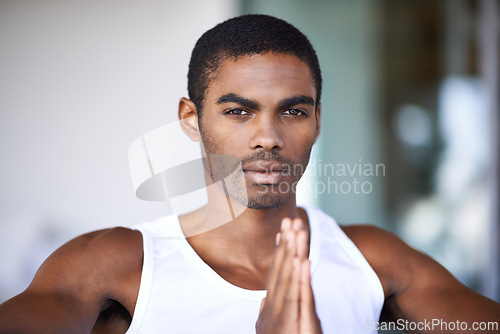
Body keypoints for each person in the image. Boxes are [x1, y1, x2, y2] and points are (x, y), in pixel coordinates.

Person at [0, 14, 499, 334]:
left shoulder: (373, 260)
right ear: (191, 119)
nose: (268, 136)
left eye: (294, 111)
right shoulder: (113, 266)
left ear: (318, 121)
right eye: (239, 112)